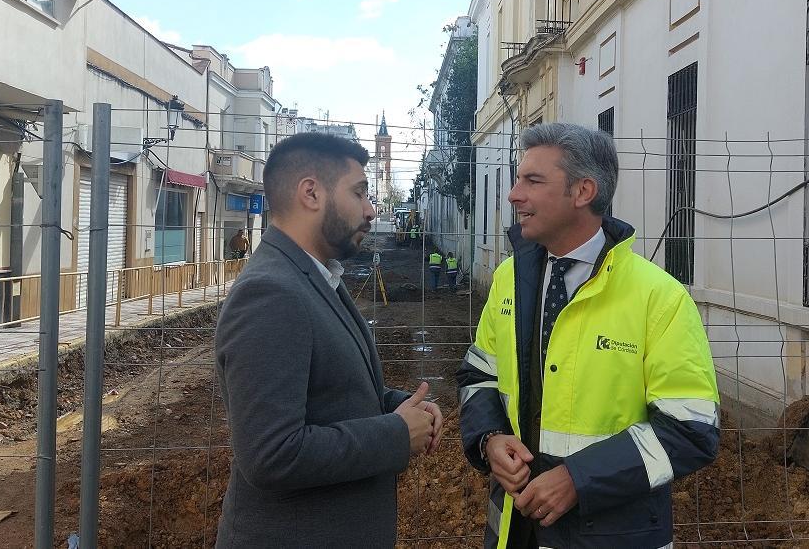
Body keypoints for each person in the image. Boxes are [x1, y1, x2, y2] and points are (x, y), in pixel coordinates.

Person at [456, 123, 720, 549]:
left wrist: (579, 480)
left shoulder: (659, 298)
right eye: (517, 179)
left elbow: (691, 429)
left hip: (611, 535)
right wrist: (489, 439)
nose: (514, 194)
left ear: (583, 192)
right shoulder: (509, 279)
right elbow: (477, 376)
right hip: (515, 529)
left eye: (533, 181)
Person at [215, 132, 443, 548]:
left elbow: (332, 390)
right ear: (311, 193)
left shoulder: (318, 277)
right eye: (359, 193)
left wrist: (400, 406)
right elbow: (272, 454)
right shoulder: (271, 292)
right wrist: (394, 434)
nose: (372, 210)